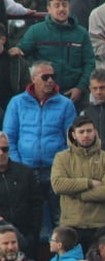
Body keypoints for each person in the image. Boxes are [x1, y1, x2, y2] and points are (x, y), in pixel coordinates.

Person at [3, 61, 77, 244]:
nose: (50, 80)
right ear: (33, 79)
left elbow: (71, 140)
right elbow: (9, 137)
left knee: (60, 218)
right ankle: (35, 258)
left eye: (53, 76)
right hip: (25, 171)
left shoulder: (66, 104)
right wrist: (18, 166)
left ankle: (63, 256)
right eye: (45, 77)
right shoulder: (17, 103)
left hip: (55, 169)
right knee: (34, 221)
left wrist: (63, 165)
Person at [51, 115, 105, 252]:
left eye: (89, 131)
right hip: (70, 225)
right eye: (81, 132)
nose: (86, 135)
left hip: (99, 225)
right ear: (74, 134)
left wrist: (78, 195)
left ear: (95, 132)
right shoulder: (62, 158)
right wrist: (88, 183)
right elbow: (58, 185)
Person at [12, 0, 95, 106]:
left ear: (69, 7)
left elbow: (90, 63)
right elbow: (21, 51)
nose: (61, 9)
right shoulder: (36, 31)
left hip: (74, 95)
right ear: (49, 9)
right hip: (45, 96)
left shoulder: (81, 33)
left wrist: (80, 88)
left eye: (64, 5)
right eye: (57, 5)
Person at [0, 130, 43, 258]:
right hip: (1, 239)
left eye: (5, 149)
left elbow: (37, 204)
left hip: (26, 238)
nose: (1, 153)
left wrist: (33, 234)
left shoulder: (25, 173)